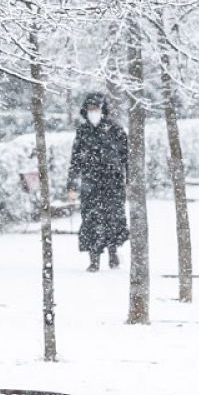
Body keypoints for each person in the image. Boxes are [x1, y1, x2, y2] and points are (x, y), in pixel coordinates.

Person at [68, 93, 130, 272]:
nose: (93, 112)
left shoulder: (115, 130)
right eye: (90, 109)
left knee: (113, 219)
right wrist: (71, 186)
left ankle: (113, 253)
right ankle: (93, 259)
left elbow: (126, 157)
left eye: (96, 108)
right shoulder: (83, 131)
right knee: (91, 221)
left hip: (113, 183)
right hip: (90, 185)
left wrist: (129, 181)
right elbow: (75, 160)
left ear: (103, 110)